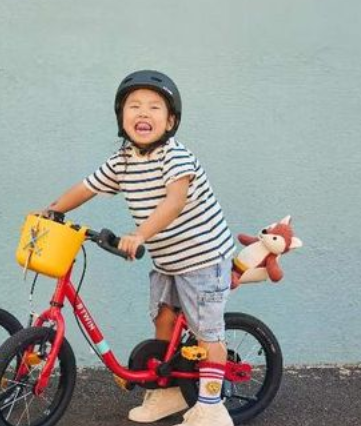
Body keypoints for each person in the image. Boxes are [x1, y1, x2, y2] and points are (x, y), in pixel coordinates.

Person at [43, 70, 235, 426]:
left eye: (154, 107)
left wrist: (141, 233)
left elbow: (174, 202)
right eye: (134, 106)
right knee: (164, 319)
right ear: (121, 117)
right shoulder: (124, 160)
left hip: (203, 257)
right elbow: (87, 187)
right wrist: (52, 210)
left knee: (206, 330)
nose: (143, 113)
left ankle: (211, 407)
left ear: (171, 120)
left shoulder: (175, 156)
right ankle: (167, 393)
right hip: (167, 260)